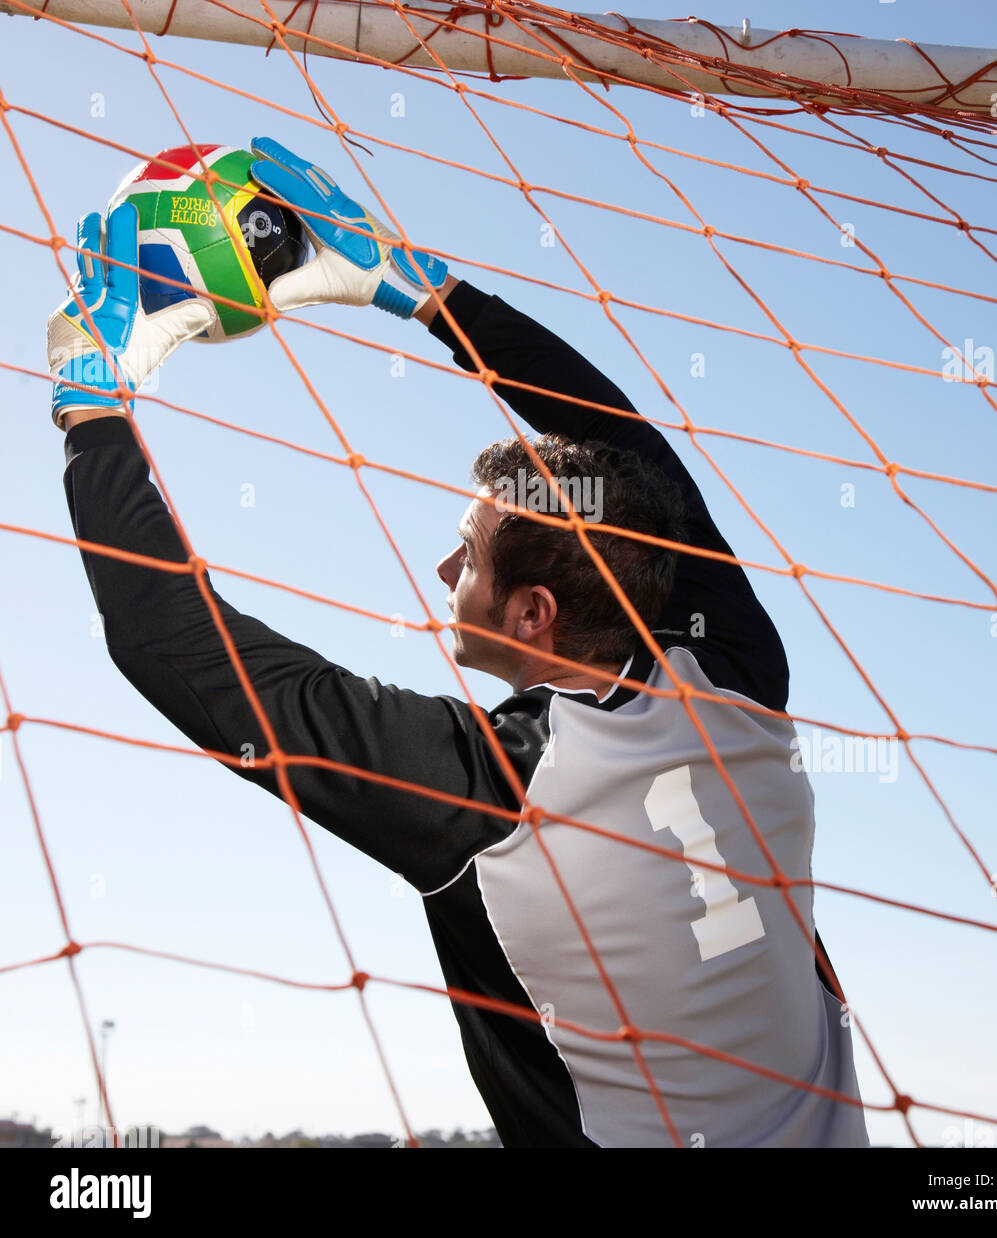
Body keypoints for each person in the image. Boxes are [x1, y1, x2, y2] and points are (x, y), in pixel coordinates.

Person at [47, 138, 869, 1148]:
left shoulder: (489, 798)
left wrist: (93, 400)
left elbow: (172, 645)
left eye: (466, 555)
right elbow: (624, 446)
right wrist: (428, 295)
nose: (443, 571)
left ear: (533, 614)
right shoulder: (734, 673)